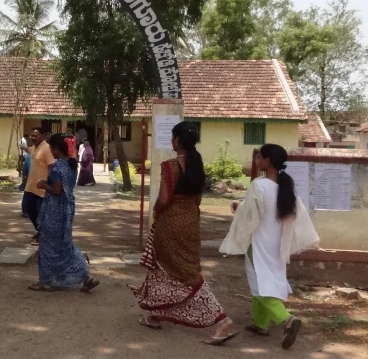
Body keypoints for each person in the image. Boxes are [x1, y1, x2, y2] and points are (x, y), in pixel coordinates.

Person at [131, 121, 236, 345]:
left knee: (186, 275)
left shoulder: (170, 166)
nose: (171, 141)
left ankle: (222, 319)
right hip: (190, 222)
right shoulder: (197, 165)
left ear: (177, 140)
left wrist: (156, 210)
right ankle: (156, 315)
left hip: (170, 225)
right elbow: (197, 199)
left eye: (172, 137)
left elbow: (164, 199)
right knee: (163, 269)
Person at [220, 144, 319, 350]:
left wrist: (237, 208)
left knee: (259, 283)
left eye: (259, 157)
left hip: (259, 243)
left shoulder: (259, 184)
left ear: (267, 162)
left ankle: (287, 320)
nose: (256, 161)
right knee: (265, 281)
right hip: (278, 244)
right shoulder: (286, 187)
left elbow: (251, 216)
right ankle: (260, 324)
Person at [28, 134, 99, 293]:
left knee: (47, 245)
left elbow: (57, 190)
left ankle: (46, 280)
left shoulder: (58, 166)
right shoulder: (71, 166)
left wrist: (43, 185)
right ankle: (85, 276)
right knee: (64, 244)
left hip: (54, 210)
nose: (50, 151)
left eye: (51, 148)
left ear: (56, 148)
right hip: (66, 210)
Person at [23, 127, 54, 246]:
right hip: (31, 186)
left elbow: (51, 166)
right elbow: (30, 150)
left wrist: (48, 184)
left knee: (39, 212)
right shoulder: (35, 148)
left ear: (41, 136)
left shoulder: (46, 149)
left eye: (35, 136)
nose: (33, 138)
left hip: (41, 188)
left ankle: (43, 234)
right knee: (28, 208)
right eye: (31, 136)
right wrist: (22, 147)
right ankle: (41, 231)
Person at [19, 151, 32, 218]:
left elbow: (25, 169)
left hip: (30, 179)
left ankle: (25, 211)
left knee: (27, 194)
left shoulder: (28, 156)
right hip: (41, 179)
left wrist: (24, 177)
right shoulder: (46, 152)